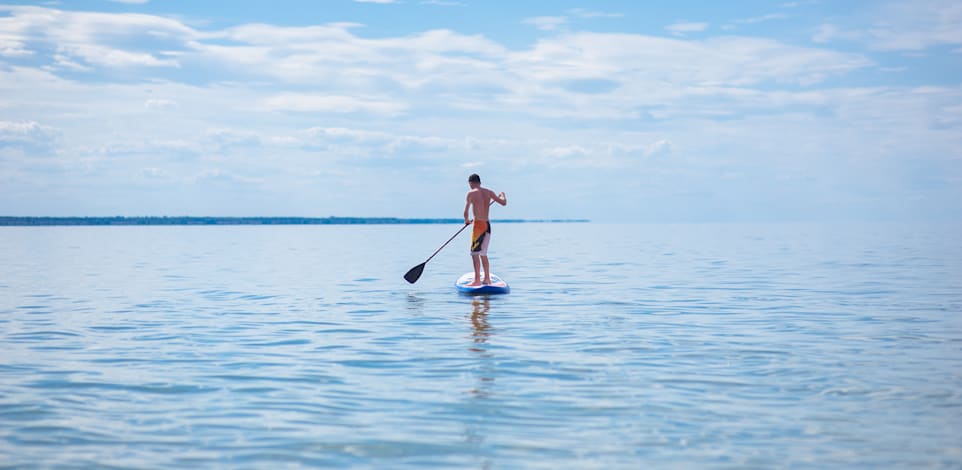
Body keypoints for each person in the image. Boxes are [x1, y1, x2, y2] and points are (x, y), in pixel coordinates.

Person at [463, 174, 507, 286]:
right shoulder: (489, 192)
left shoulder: (471, 194)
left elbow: (466, 210)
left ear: (471, 182)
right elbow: (503, 203)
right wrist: (503, 195)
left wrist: (467, 220)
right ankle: (487, 278)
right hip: (487, 225)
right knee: (483, 253)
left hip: (478, 225)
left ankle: (477, 280)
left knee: (474, 253)